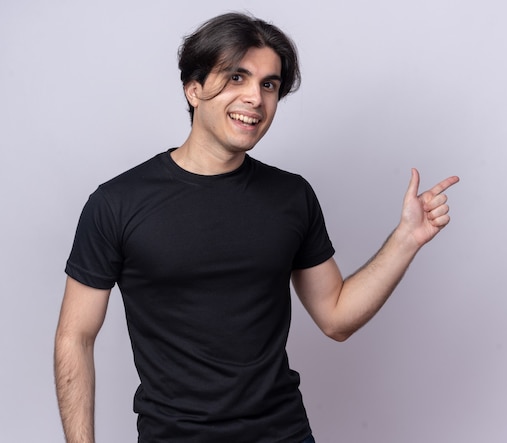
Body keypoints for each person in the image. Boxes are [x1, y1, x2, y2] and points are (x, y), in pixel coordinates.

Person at [54, 12, 459, 443]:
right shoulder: (117, 203)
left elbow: (336, 317)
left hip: (283, 432)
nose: (255, 98)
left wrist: (405, 240)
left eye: (269, 84)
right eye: (236, 77)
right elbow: (74, 337)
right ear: (193, 90)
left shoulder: (291, 196)